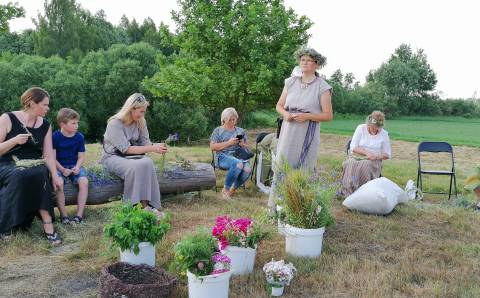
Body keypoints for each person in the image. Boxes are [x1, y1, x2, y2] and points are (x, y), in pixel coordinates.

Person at [268, 46, 333, 209]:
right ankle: (276, 207)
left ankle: (298, 208)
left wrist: (308, 116)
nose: (304, 63)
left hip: (307, 131)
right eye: (302, 60)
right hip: (289, 130)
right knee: (283, 165)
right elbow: (279, 105)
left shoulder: (322, 87)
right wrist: (286, 114)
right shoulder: (290, 82)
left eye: (309, 60)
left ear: (316, 64)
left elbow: (328, 115)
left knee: (304, 169)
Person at [0, 87, 63, 244]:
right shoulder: (7, 118)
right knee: (20, 174)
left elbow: (48, 155)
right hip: (8, 162)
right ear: (31, 103)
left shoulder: (46, 125)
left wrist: (55, 176)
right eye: (45, 104)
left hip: (35, 163)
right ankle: (8, 225)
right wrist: (14, 140)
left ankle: (48, 224)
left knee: (40, 173)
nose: (48, 108)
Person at [100, 93, 167, 217]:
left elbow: (146, 142)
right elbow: (125, 149)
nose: (143, 114)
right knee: (134, 167)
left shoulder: (140, 121)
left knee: (147, 162)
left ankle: (147, 205)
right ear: (131, 108)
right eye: (141, 111)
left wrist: (156, 146)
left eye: (144, 112)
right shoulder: (115, 123)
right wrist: (151, 148)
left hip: (129, 157)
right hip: (111, 157)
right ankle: (132, 207)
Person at [340, 111, 392, 197]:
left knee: (365, 164)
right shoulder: (361, 128)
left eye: (377, 127)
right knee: (350, 163)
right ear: (369, 123)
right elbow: (353, 147)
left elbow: (387, 154)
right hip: (356, 156)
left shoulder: (384, 134)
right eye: (373, 126)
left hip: (373, 161)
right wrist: (367, 152)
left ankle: (363, 193)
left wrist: (376, 156)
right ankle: (348, 190)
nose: (375, 129)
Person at [53, 108, 88, 224]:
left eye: (77, 122)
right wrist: (62, 169)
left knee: (84, 181)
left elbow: (81, 157)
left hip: (74, 165)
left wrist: (77, 167)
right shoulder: (55, 137)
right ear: (62, 124)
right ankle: (64, 216)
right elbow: (52, 158)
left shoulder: (79, 137)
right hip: (59, 166)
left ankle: (79, 216)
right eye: (73, 123)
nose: (76, 125)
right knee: (59, 183)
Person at [210, 107, 252, 199]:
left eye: (234, 119)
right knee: (238, 163)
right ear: (224, 120)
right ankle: (226, 189)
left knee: (248, 169)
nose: (233, 122)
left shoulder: (240, 131)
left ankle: (232, 189)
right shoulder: (218, 131)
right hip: (222, 156)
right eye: (230, 120)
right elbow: (212, 147)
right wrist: (229, 143)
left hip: (238, 155)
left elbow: (247, 146)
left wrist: (242, 144)